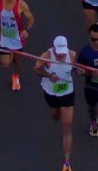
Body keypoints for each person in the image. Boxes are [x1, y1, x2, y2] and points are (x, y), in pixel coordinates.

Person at [34, 36, 78, 171]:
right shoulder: (46, 56)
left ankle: (67, 162)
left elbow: (75, 68)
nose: (61, 56)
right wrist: (48, 76)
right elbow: (36, 69)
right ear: (53, 49)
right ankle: (56, 111)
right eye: (59, 54)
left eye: (62, 53)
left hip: (67, 93)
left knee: (67, 126)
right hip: (51, 92)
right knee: (55, 115)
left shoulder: (72, 54)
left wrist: (80, 71)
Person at [0, 0, 35, 91]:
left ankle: (16, 77)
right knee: (5, 64)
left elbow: (31, 19)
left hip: (17, 39)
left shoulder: (21, 4)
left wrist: (27, 30)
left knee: (17, 61)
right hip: (5, 38)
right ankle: (10, 53)